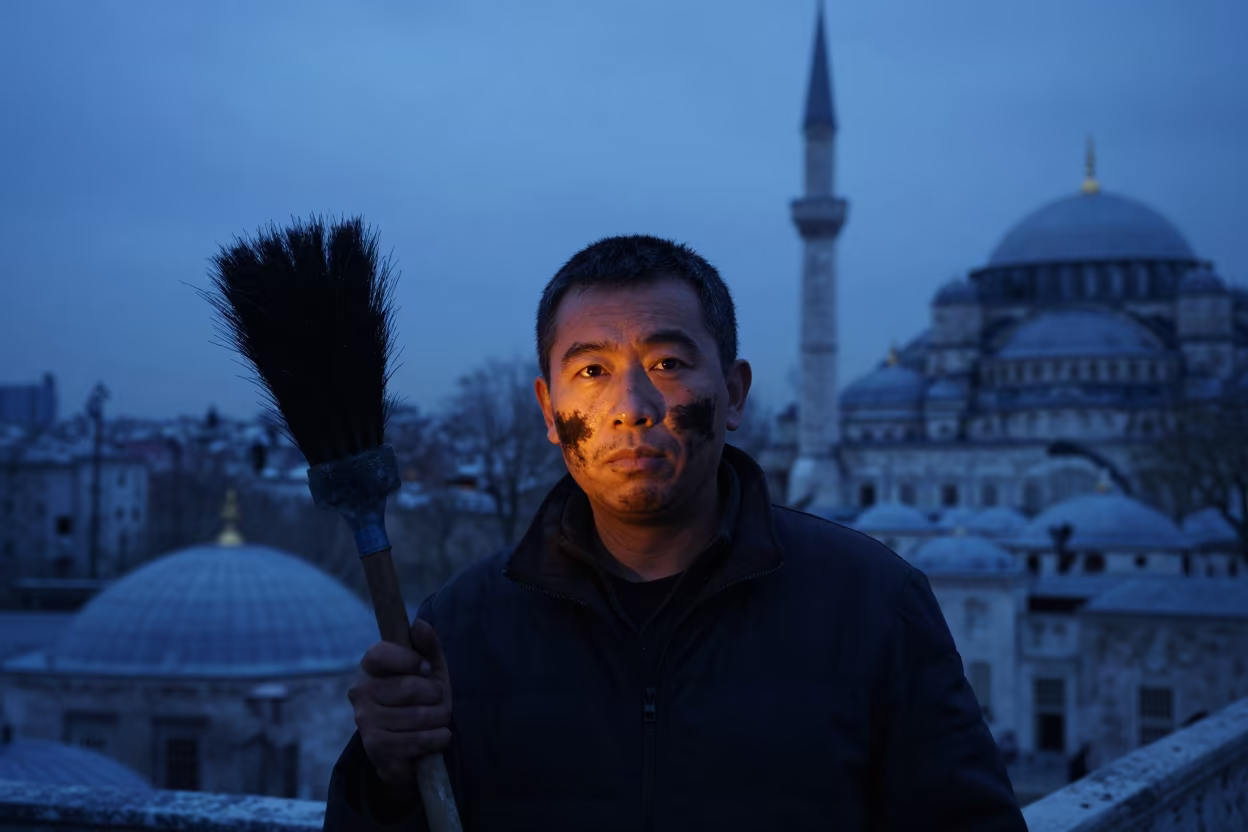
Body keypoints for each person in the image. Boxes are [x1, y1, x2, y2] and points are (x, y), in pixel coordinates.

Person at [323, 235, 1027, 831]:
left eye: (667, 364)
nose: (631, 408)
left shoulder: (873, 608)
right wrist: (383, 775)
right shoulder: (464, 627)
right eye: (591, 370)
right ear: (548, 409)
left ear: (734, 394)